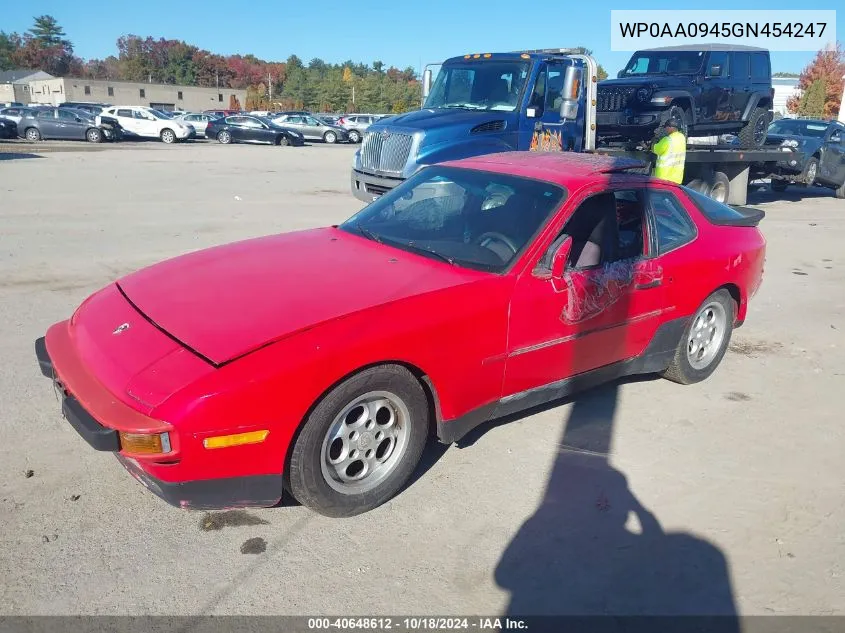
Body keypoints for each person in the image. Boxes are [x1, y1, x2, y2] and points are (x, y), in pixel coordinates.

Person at [652, 117, 686, 184]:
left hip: (664, 178)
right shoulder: (682, 138)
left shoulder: (667, 140)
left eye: (666, 127)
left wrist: (653, 143)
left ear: (671, 127)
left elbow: (656, 150)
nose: (666, 129)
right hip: (677, 178)